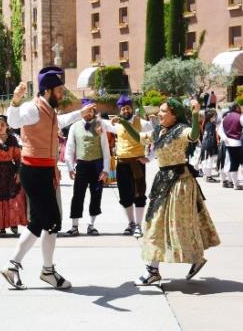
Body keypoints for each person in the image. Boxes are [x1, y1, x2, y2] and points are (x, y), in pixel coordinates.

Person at [0, 67, 96, 290]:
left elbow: (58, 122)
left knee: (40, 221)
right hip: (34, 172)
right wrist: (14, 101)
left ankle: (13, 266)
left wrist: (80, 114)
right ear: (48, 90)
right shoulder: (32, 108)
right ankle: (46, 271)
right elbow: (14, 122)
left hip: (42, 171)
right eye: (60, 90)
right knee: (51, 221)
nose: (62, 94)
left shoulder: (48, 110)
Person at [117, 98, 220, 285]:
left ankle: (158, 269)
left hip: (180, 184)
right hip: (163, 181)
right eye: (160, 110)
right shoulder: (158, 131)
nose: (159, 114)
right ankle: (158, 269)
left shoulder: (181, 130)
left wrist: (196, 114)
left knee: (177, 226)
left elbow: (194, 135)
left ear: (174, 115)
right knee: (157, 224)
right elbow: (138, 137)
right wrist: (124, 122)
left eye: (164, 111)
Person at [103, 95, 153, 238]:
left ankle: (138, 225)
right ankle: (131, 223)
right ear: (120, 110)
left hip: (137, 163)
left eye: (127, 108)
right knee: (125, 195)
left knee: (139, 194)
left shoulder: (144, 124)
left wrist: (149, 157)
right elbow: (103, 124)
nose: (125, 111)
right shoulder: (117, 124)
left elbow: (155, 141)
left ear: (132, 108)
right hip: (122, 164)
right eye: (123, 109)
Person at [64, 99, 110, 236]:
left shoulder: (99, 125)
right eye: (87, 110)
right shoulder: (74, 126)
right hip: (82, 164)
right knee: (78, 195)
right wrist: (70, 167)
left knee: (96, 195)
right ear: (82, 111)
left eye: (91, 110)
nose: (89, 113)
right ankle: (74, 226)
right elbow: (70, 148)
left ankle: (91, 225)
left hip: (97, 165)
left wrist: (106, 169)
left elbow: (106, 148)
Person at [0, 115, 28, 235]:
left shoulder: (12, 139)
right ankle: (1, 226)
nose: (0, 127)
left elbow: (18, 158)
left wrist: (18, 172)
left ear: (7, 126)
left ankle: (13, 223)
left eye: (3, 124)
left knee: (13, 199)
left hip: (10, 172)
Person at [218, 103, 243, 190]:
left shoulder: (225, 117)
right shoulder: (240, 116)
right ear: (236, 108)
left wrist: (225, 139)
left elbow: (220, 130)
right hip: (238, 143)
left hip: (229, 143)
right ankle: (236, 185)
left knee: (233, 163)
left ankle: (235, 184)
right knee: (238, 164)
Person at [200, 109, 219, 183]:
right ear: (210, 117)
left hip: (205, 144)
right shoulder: (211, 125)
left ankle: (206, 176)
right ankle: (208, 177)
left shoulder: (206, 124)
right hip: (208, 144)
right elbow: (211, 136)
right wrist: (213, 146)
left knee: (206, 161)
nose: (215, 117)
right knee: (209, 161)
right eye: (214, 116)